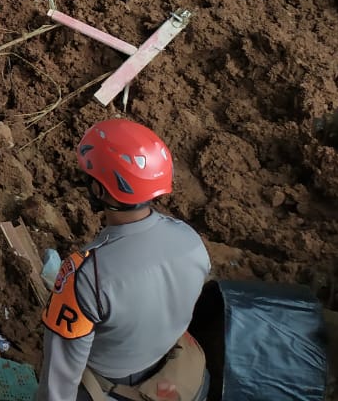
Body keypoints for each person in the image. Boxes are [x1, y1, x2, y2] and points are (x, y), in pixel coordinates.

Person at [36, 120, 211, 401]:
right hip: (173, 365)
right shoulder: (190, 241)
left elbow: (60, 380)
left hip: (114, 384)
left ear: (100, 191)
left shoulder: (87, 276)